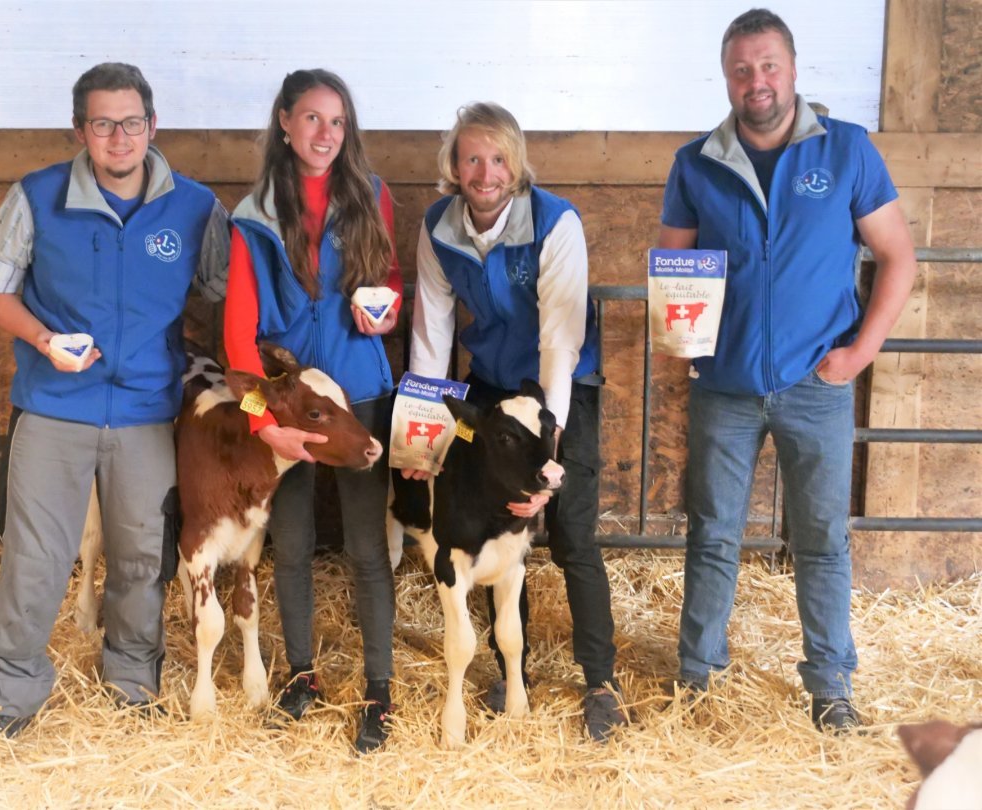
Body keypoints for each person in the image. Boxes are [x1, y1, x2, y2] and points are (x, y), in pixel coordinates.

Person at [657, 9, 918, 732]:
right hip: (727, 387)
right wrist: (682, 344)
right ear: (727, 78)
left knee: (822, 539)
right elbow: (676, 264)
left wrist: (858, 356)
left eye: (768, 65)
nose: (756, 81)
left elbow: (898, 257)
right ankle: (697, 676)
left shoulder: (846, 150)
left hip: (817, 383)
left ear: (794, 69)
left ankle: (831, 686)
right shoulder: (696, 163)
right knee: (712, 532)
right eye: (742, 68)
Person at [0, 62, 230, 737]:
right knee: (37, 555)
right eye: (103, 123)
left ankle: (132, 679)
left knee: (142, 554)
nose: (120, 138)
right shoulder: (37, 195)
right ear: (80, 129)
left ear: (153, 125)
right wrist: (41, 337)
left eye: (132, 122)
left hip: (146, 411)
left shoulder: (197, 207)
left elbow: (231, 293)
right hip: (55, 404)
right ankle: (12, 692)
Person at [407, 102, 625, 742]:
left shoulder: (555, 223)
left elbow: (560, 342)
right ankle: (513, 670)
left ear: (517, 163)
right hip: (493, 389)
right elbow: (432, 330)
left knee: (571, 531)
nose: (485, 171)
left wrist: (549, 443)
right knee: (502, 530)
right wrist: (423, 424)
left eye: (499, 158)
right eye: (472, 157)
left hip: (556, 390)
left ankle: (599, 681)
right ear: (454, 164)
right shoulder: (438, 227)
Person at [223, 69, 401, 754]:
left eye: (337, 121)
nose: (325, 134)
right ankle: (303, 675)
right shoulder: (253, 217)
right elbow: (239, 335)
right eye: (312, 119)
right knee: (290, 546)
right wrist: (264, 424)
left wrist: (382, 316)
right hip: (291, 405)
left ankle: (379, 689)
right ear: (284, 122)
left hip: (357, 394)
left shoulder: (373, 196)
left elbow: (388, 289)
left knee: (365, 547)